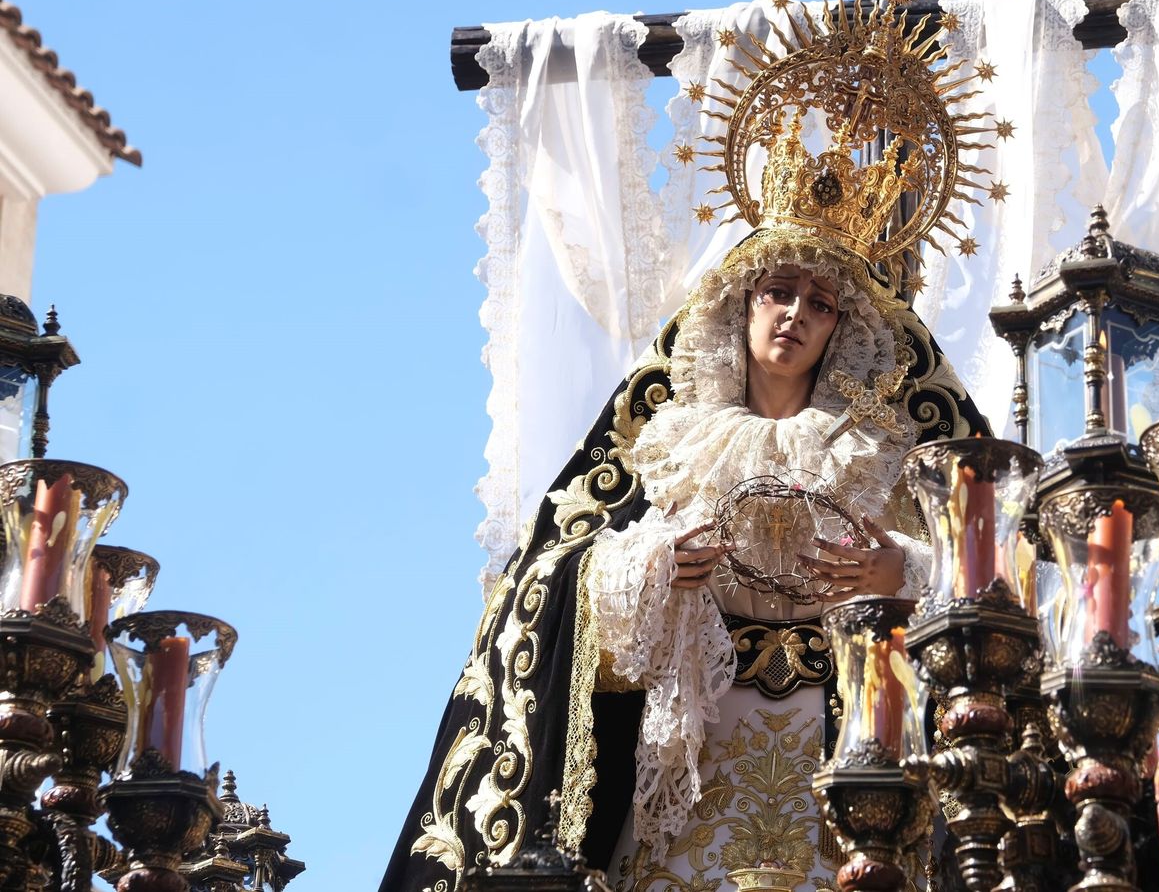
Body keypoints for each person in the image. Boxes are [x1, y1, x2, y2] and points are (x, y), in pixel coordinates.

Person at [378, 228, 989, 892]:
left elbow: (998, 585)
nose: (795, 316)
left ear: (841, 329)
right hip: (697, 753)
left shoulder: (884, 453)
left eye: (820, 304)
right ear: (741, 305)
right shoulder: (668, 441)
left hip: (845, 755)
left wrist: (902, 575)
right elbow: (546, 579)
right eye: (778, 293)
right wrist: (648, 569)